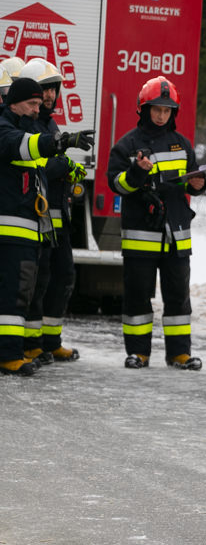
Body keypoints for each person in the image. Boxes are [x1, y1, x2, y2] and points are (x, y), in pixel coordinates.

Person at [107, 75, 206, 371]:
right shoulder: (127, 145)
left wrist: (198, 184)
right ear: (144, 108)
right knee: (138, 297)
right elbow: (117, 185)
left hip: (176, 235)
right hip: (141, 235)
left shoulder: (181, 144)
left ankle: (179, 354)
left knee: (178, 297)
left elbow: (187, 183)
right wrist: (136, 172)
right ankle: (138, 353)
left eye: (167, 110)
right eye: (157, 109)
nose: (162, 115)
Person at [0, 77, 93, 375]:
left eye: (40, 104)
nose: (36, 109)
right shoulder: (6, 129)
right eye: (31, 103)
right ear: (12, 102)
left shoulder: (28, 128)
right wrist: (60, 141)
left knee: (21, 292)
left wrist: (65, 163)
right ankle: (9, 355)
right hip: (10, 230)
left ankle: (12, 351)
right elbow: (24, 147)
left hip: (26, 229)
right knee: (12, 293)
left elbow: (42, 161)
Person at [18, 59, 87, 366]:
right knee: (39, 279)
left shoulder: (49, 123)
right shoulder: (28, 124)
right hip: (39, 216)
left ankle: (51, 340)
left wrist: (68, 168)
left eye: (53, 89)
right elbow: (41, 165)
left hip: (58, 217)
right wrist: (65, 165)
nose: (49, 96)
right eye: (44, 89)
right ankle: (31, 343)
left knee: (62, 276)